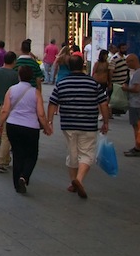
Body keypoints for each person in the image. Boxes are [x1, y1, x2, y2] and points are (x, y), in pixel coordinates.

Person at [46, 54, 111, 199]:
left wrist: (49, 122)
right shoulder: (93, 83)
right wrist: (106, 122)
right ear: (83, 66)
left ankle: (73, 182)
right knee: (87, 154)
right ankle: (79, 180)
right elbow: (103, 104)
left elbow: (52, 103)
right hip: (88, 124)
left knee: (72, 153)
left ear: (68, 67)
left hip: (68, 124)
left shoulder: (62, 83)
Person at [0, 66, 53, 194]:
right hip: (30, 127)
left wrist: (0, 124)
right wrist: (46, 127)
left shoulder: (11, 90)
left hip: (13, 125)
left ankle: (17, 183)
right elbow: (40, 114)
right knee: (32, 154)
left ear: (19, 76)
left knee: (17, 154)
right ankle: (24, 176)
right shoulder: (35, 93)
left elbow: (5, 109)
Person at [123, 54, 140, 157]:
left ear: (133, 61)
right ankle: (138, 145)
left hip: (136, 103)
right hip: (138, 102)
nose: (127, 65)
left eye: (128, 62)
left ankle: (138, 147)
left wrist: (126, 89)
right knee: (137, 125)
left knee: (136, 126)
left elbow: (137, 89)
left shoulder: (138, 74)